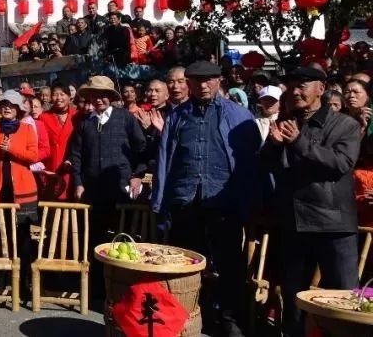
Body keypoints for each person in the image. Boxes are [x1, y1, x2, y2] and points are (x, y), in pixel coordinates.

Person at [151, 61, 263, 336]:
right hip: (186, 199)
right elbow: (166, 158)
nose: (203, 85)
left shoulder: (239, 115)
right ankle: (184, 315)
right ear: (187, 82)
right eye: (197, 80)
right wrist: (161, 200)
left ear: (219, 80)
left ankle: (229, 319)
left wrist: (249, 202)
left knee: (230, 265)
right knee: (184, 264)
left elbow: (250, 163)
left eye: (209, 79)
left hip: (223, 200)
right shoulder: (178, 116)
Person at [261, 67, 361, 337]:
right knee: (295, 300)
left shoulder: (345, 125)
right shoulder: (286, 121)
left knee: (343, 300)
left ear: (321, 89)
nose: (296, 91)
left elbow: (341, 163)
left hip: (334, 226)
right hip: (294, 224)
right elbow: (265, 166)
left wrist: (298, 142)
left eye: (304, 85)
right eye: (292, 86)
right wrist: (274, 145)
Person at [67, 76, 147, 275]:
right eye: (95, 96)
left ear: (110, 97)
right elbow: (76, 155)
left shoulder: (125, 118)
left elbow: (142, 148)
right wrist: (78, 182)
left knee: (122, 237)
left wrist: (137, 174)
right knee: (95, 237)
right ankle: (98, 284)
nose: (99, 100)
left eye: (103, 96)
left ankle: (121, 281)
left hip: (120, 186)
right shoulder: (85, 123)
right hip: (94, 189)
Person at [0, 89, 39, 289]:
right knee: (0, 234)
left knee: (23, 236)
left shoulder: (27, 129)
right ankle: (1, 279)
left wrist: (11, 149)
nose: (7, 108)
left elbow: (33, 156)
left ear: (18, 109)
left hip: (23, 191)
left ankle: (24, 280)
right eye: (4, 105)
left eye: (11, 105)